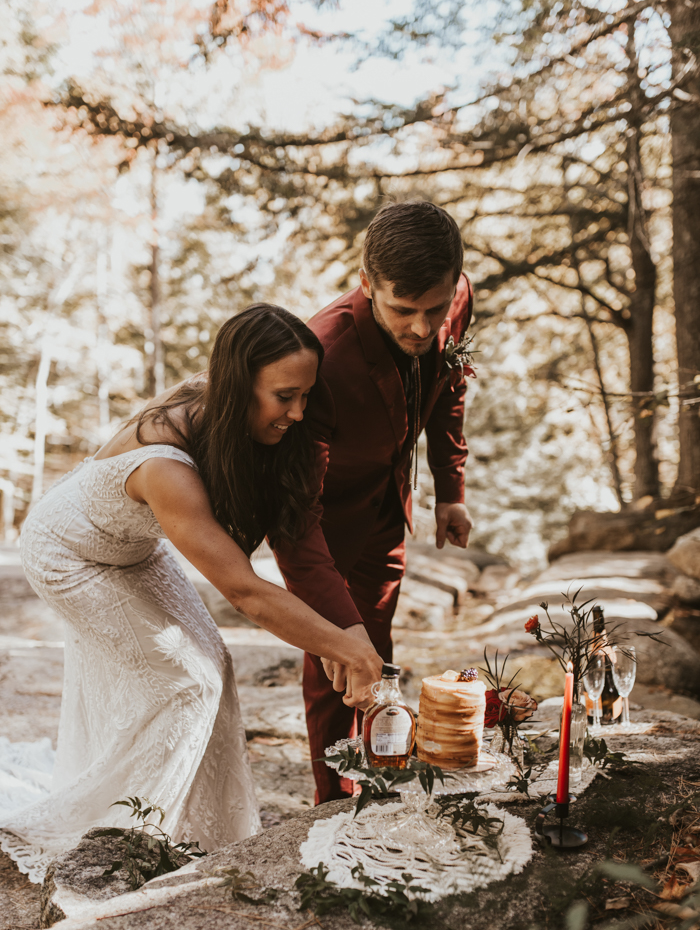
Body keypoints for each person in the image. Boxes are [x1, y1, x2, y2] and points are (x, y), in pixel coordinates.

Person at [0, 304, 382, 882]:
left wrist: (344, 634)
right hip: (68, 555)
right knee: (187, 682)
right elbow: (243, 591)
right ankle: (131, 835)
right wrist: (344, 648)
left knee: (216, 667)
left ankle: (200, 836)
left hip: (131, 549)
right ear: (239, 385)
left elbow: (294, 534)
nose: (300, 413)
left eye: (307, 395)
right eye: (285, 396)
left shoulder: (235, 419)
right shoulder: (165, 466)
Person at [274, 201, 475, 804]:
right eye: (402, 310)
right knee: (334, 655)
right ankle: (330, 801)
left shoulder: (457, 296)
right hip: (326, 518)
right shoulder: (322, 356)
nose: (421, 327)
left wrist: (450, 490)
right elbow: (294, 517)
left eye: (434, 309)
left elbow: (450, 388)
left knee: (377, 646)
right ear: (366, 284)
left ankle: (378, 774)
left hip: (391, 502)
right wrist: (332, 625)